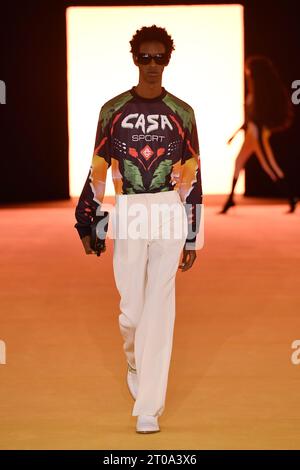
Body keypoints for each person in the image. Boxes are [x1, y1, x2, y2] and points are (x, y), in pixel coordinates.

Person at [74, 25, 203, 434]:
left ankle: (149, 407)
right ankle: (134, 359)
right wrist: (89, 220)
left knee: (160, 309)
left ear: (168, 59)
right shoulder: (112, 111)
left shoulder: (183, 113)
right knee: (132, 312)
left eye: (159, 57)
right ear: (135, 59)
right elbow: (97, 168)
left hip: (167, 208)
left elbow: (192, 175)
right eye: (145, 57)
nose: (152, 65)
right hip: (128, 208)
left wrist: (192, 233)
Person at [220, 55, 298, 214]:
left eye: (248, 70)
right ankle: (230, 200)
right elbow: (249, 120)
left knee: (270, 167)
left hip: (258, 134)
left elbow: (256, 119)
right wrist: (234, 135)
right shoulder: (254, 93)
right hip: (251, 133)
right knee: (238, 162)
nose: (247, 73)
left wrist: (243, 133)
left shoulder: (262, 95)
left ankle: (291, 198)